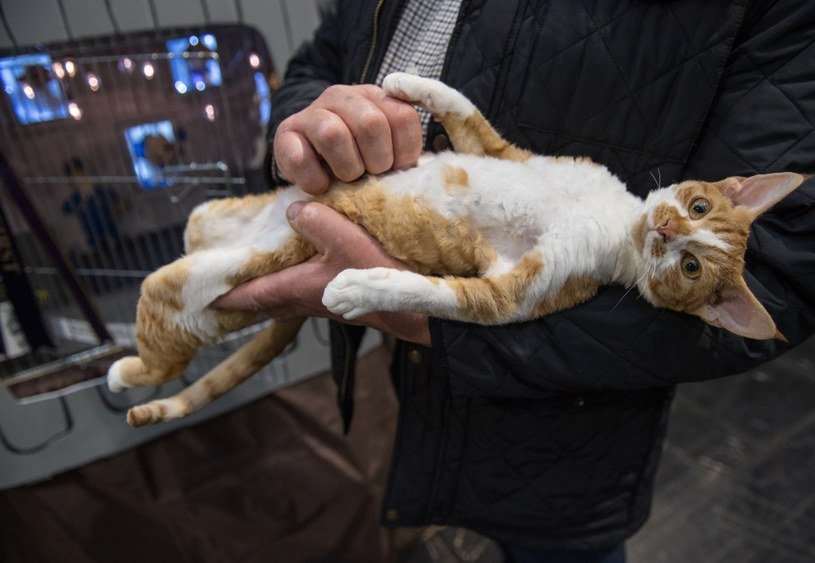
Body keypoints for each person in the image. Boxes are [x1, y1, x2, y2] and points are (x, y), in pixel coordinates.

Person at [217, 1, 815, 561]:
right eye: (701, 215)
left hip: (562, 449)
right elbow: (326, 53)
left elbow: (784, 272)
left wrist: (424, 314)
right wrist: (300, 134)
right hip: (397, 379)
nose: (667, 227)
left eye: (689, 260)